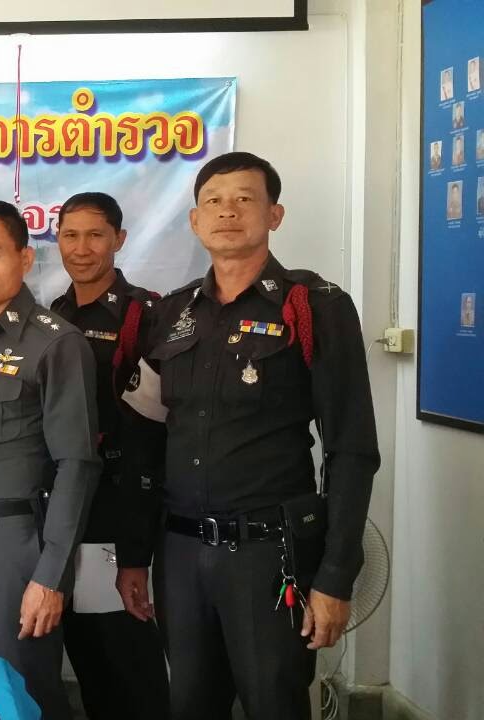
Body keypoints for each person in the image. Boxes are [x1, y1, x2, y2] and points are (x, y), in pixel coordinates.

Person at [119, 152, 380, 719]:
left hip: (269, 556)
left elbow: (352, 450)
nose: (227, 211)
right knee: (190, 704)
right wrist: (134, 555)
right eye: (213, 201)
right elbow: (144, 443)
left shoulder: (312, 306)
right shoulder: (171, 314)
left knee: (274, 704)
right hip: (180, 554)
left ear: (274, 214)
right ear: (195, 220)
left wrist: (336, 576)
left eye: (244, 199)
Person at [0, 200, 101, 719]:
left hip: (15, 542)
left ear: (24, 259)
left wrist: (50, 576)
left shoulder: (55, 343)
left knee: (27, 693)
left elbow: (77, 465)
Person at [48, 192, 169, 718]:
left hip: (119, 507)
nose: (81, 248)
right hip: (65, 505)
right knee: (84, 650)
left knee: (128, 651)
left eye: (95, 235)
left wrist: (134, 544)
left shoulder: (147, 314)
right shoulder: (52, 316)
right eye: (70, 235)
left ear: (119, 239)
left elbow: (153, 432)